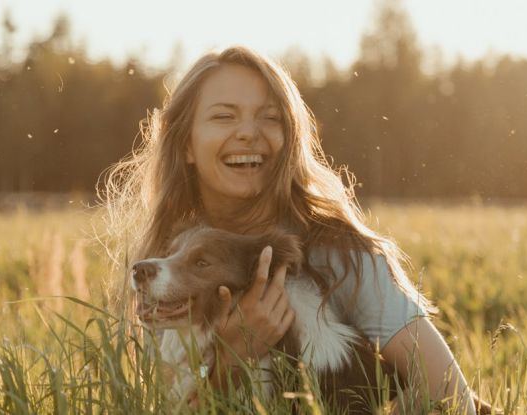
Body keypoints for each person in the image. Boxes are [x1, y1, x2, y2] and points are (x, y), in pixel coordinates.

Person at [102, 46, 478, 414]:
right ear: (185, 142)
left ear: (290, 139)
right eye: (224, 116)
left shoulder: (341, 253)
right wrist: (234, 356)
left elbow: (451, 395)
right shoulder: (164, 265)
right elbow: (169, 405)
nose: (248, 132)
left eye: (270, 117)